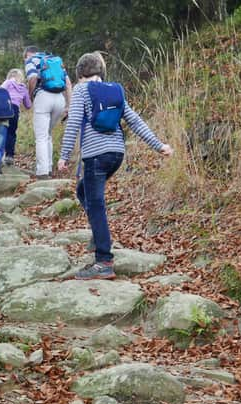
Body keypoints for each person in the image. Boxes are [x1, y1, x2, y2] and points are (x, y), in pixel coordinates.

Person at [57, 52, 173, 280]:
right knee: (84, 192)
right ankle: (100, 237)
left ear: (80, 74)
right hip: (116, 155)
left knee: (96, 203)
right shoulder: (115, 90)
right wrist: (158, 145)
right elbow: (134, 120)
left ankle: (103, 261)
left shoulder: (80, 90)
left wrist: (63, 156)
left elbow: (73, 124)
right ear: (100, 72)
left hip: (96, 156)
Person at [24, 45, 72, 179]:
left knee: (41, 137)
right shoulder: (54, 60)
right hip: (59, 99)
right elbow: (68, 84)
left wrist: (31, 96)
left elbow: (32, 79)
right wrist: (69, 105)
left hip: (43, 97)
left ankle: (42, 171)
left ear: (27, 54)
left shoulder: (31, 61)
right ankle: (49, 167)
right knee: (48, 134)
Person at [0, 69, 32, 166]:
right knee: (12, 133)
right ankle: (9, 155)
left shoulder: (8, 82)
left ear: (10, 76)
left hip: (5, 108)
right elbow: (28, 105)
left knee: (1, 131)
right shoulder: (23, 88)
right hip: (15, 110)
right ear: (21, 78)